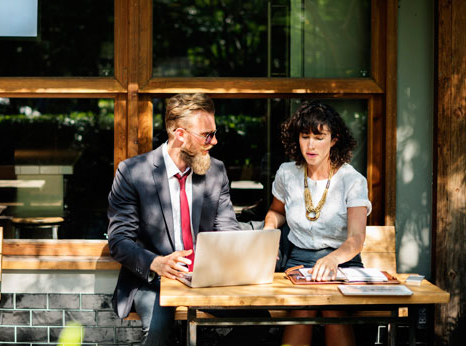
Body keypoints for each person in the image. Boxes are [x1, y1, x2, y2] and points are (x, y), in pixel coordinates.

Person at [107, 93, 240, 345]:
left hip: (205, 278)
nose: (214, 141)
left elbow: (227, 230)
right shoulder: (133, 172)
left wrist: (247, 252)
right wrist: (156, 263)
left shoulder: (216, 172)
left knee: (258, 321)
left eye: (214, 133)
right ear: (180, 134)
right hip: (153, 280)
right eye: (207, 135)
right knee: (157, 329)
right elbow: (119, 241)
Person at [263, 101, 371, 346]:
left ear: (334, 140)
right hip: (298, 261)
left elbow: (356, 238)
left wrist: (332, 259)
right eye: (305, 137)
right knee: (303, 307)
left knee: (333, 309)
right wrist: (269, 231)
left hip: (343, 262)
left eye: (319, 137)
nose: (310, 145)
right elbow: (276, 212)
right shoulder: (287, 173)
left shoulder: (352, 180)